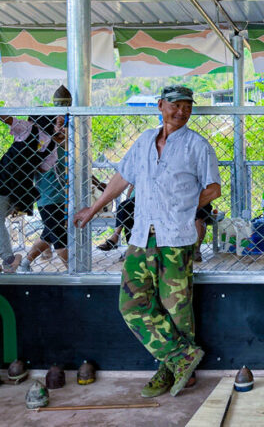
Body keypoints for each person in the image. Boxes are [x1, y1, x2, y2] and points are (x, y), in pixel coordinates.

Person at [74, 85, 221, 398]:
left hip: (177, 239)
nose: (181, 112)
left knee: (176, 308)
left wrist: (185, 210)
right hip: (141, 237)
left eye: (187, 107)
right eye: (175, 105)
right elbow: (121, 179)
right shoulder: (142, 142)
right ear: (160, 106)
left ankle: (174, 373)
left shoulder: (198, 145)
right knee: (132, 303)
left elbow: (213, 189)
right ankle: (182, 358)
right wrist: (93, 209)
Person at [0, 113, 60, 273]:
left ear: (32, 120)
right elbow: (43, 168)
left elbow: (8, 119)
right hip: (21, 188)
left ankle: (9, 259)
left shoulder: (28, 128)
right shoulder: (52, 146)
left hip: (4, 178)